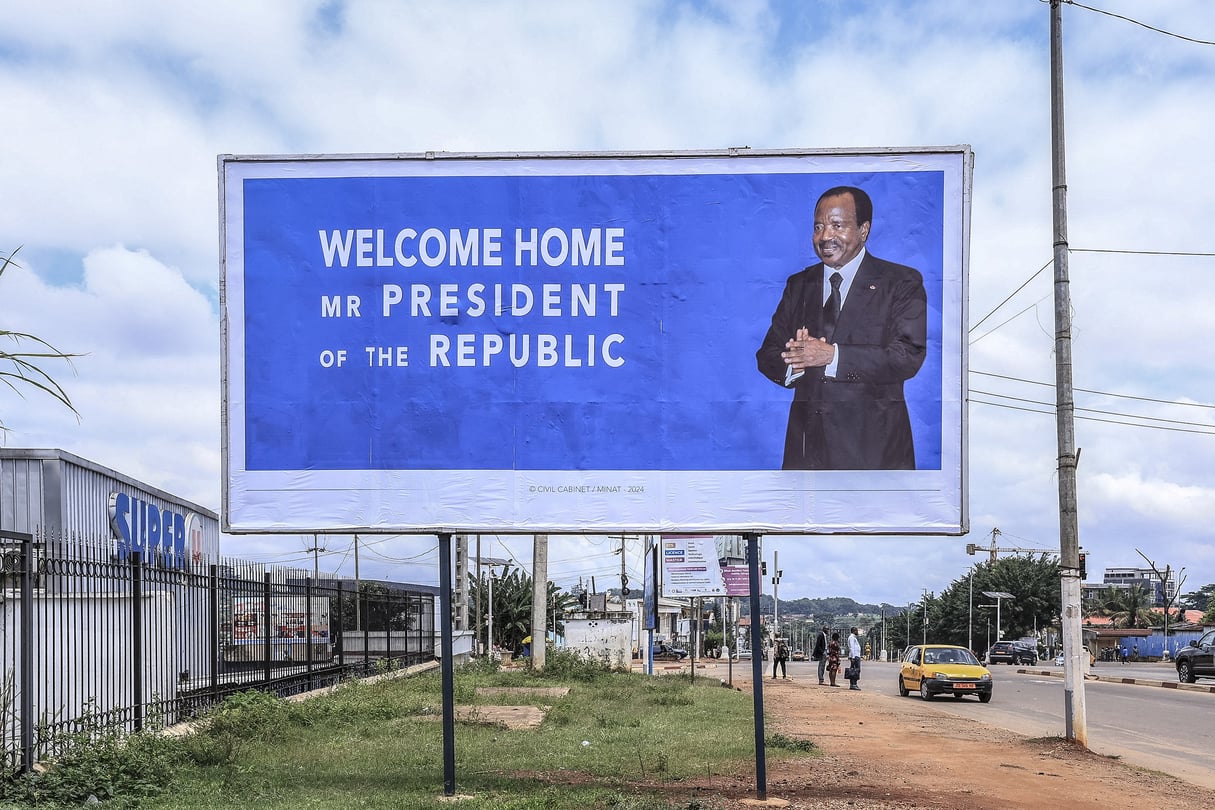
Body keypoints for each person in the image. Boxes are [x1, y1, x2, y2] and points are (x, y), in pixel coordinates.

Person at [756, 185, 928, 470]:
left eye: (837, 225)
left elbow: (906, 357)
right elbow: (767, 354)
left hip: (875, 457)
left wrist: (832, 357)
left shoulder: (900, 282)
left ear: (863, 229)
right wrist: (796, 364)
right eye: (818, 227)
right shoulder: (798, 285)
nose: (825, 237)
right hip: (806, 457)